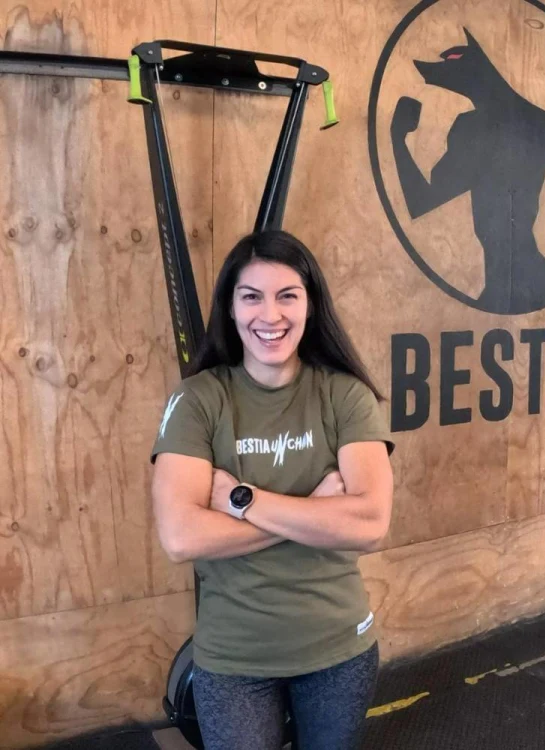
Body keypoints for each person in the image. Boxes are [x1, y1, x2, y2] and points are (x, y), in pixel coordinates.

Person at [150, 229, 394, 750]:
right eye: (251, 297)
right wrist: (315, 512)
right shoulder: (198, 400)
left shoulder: (345, 396)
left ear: (310, 304)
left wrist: (242, 501)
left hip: (338, 647)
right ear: (230, 308)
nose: (270, 314)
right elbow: (180, 536)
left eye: (287, 295)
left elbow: (371, 524)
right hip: (234, 659)